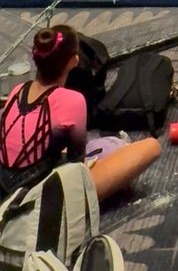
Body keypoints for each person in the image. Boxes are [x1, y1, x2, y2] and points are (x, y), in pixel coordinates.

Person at [0, 24, 160, 201]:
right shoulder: (73, 100)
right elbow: (77, 166)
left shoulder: (18, 89)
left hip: (4, 182)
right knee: (150, 147)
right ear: (74, 60)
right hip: (33, 195)